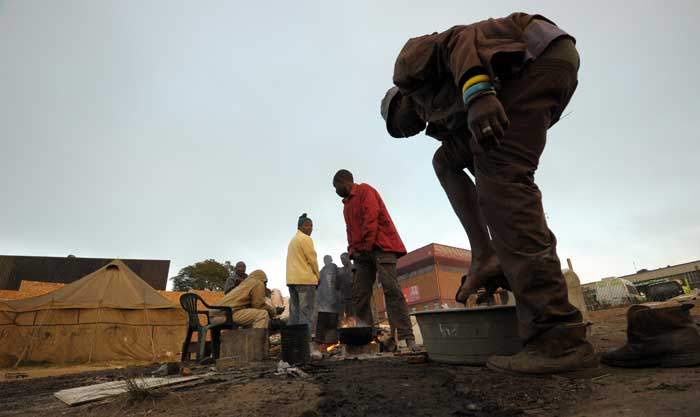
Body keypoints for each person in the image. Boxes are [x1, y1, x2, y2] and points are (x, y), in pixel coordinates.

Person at [380, 13, 595, 374]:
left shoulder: (406, 68)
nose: (408, 132)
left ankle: (557, 338)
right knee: (447, 161)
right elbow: (456, 156)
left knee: (502, 183)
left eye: (399, 127)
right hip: (539, 71)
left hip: (531, 58)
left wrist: (477, 91)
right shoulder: (442, 118)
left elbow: (458, 40)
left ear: (400, 100)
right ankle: (485, 255)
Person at [332, 169, 418, 351]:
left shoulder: (365, 191)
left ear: (343, 181)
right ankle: (365, 337)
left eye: (336, 187)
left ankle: (405, 337)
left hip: (381, 247)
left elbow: (371, 219)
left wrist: (365, 246)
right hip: (362, 253)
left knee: (391, 289)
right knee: (359, 294)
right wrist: (352, 251)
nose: (336, 191)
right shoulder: (346, 205)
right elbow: (350, 231)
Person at [285, 213, 321, 355]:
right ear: (300, 226)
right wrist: (317, 276)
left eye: (311, 225)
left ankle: (293, 348)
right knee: (307, 313)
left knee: (295, 315)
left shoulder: (293, 240)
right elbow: (312, 260)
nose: (310, 228)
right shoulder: (306, 239)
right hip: (305, 281)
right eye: (307, 225)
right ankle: (306, 347)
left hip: (292, 281)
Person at [215, 270, 283, 328]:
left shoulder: (245, 284)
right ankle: (256, 343)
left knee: (253, 316)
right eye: (265, 283)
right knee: (262, 315)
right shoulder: (258, 283)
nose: (265, 285)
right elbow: (259, 305)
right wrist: (274, 311)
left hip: (215, 314)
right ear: (264, 280)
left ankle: (246, 341)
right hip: (225, 315)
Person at [316, 255, 340, 345]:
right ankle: (323, 341)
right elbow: (317, 285)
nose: (326, 261)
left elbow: (339, 283)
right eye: (325, 260)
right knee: (324, 320)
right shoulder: (321, 272)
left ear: (331, 260)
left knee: (334, 321)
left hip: (335, 299)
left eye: (328, 259)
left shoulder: (336, 269)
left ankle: (333, 340)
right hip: (324, 301)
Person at [336, 252, 354, 320]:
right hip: (342, 298)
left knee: (351, 317)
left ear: (348, 258)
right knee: (341, 318)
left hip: (352, 297)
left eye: (343, 259)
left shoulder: (354, 268)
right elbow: (337, 285)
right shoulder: (340, 270)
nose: (342, 261)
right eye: (341, 259)